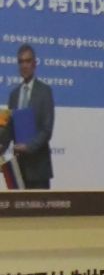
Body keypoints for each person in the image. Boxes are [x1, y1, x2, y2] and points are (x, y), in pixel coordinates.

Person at [3, 45, 55, 189]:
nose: (24, 65)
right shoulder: (13, 95)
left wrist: (28, 147)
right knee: (18, 204)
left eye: (27, 61)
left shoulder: (45, 91)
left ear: (34, 64)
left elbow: (47, 130)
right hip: (18, 168)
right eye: (21, 62)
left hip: (39, 168)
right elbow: (9, 129)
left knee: (39, 205)